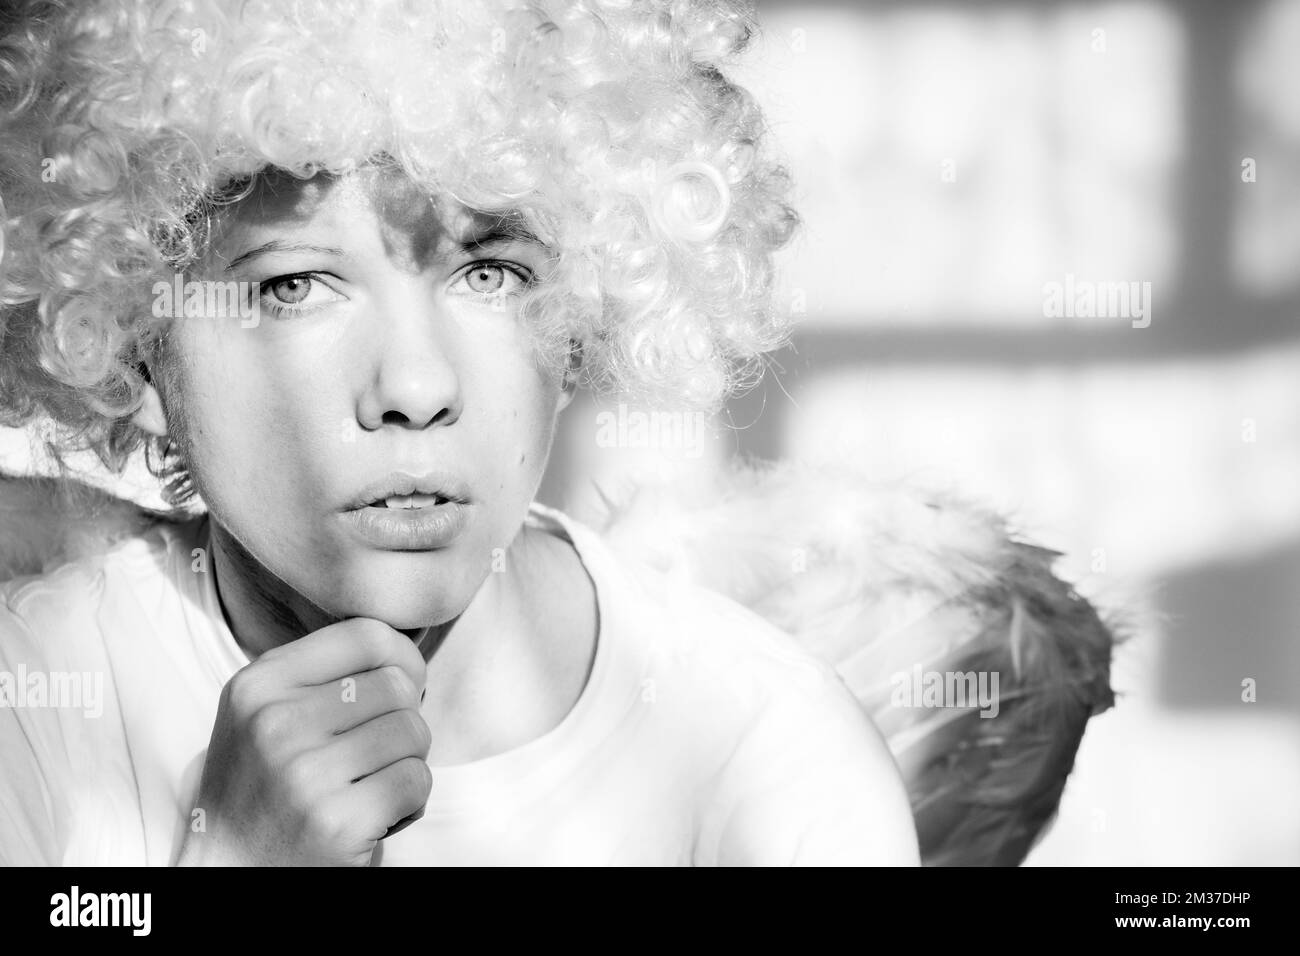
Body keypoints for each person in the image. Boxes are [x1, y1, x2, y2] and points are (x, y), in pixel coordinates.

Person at [0, 0, 922, 865]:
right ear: (132, 353)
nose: (415, 386)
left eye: (491, 275)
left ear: (578, 319)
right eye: (294, 286)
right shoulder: (35, 708)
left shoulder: (770, 755)